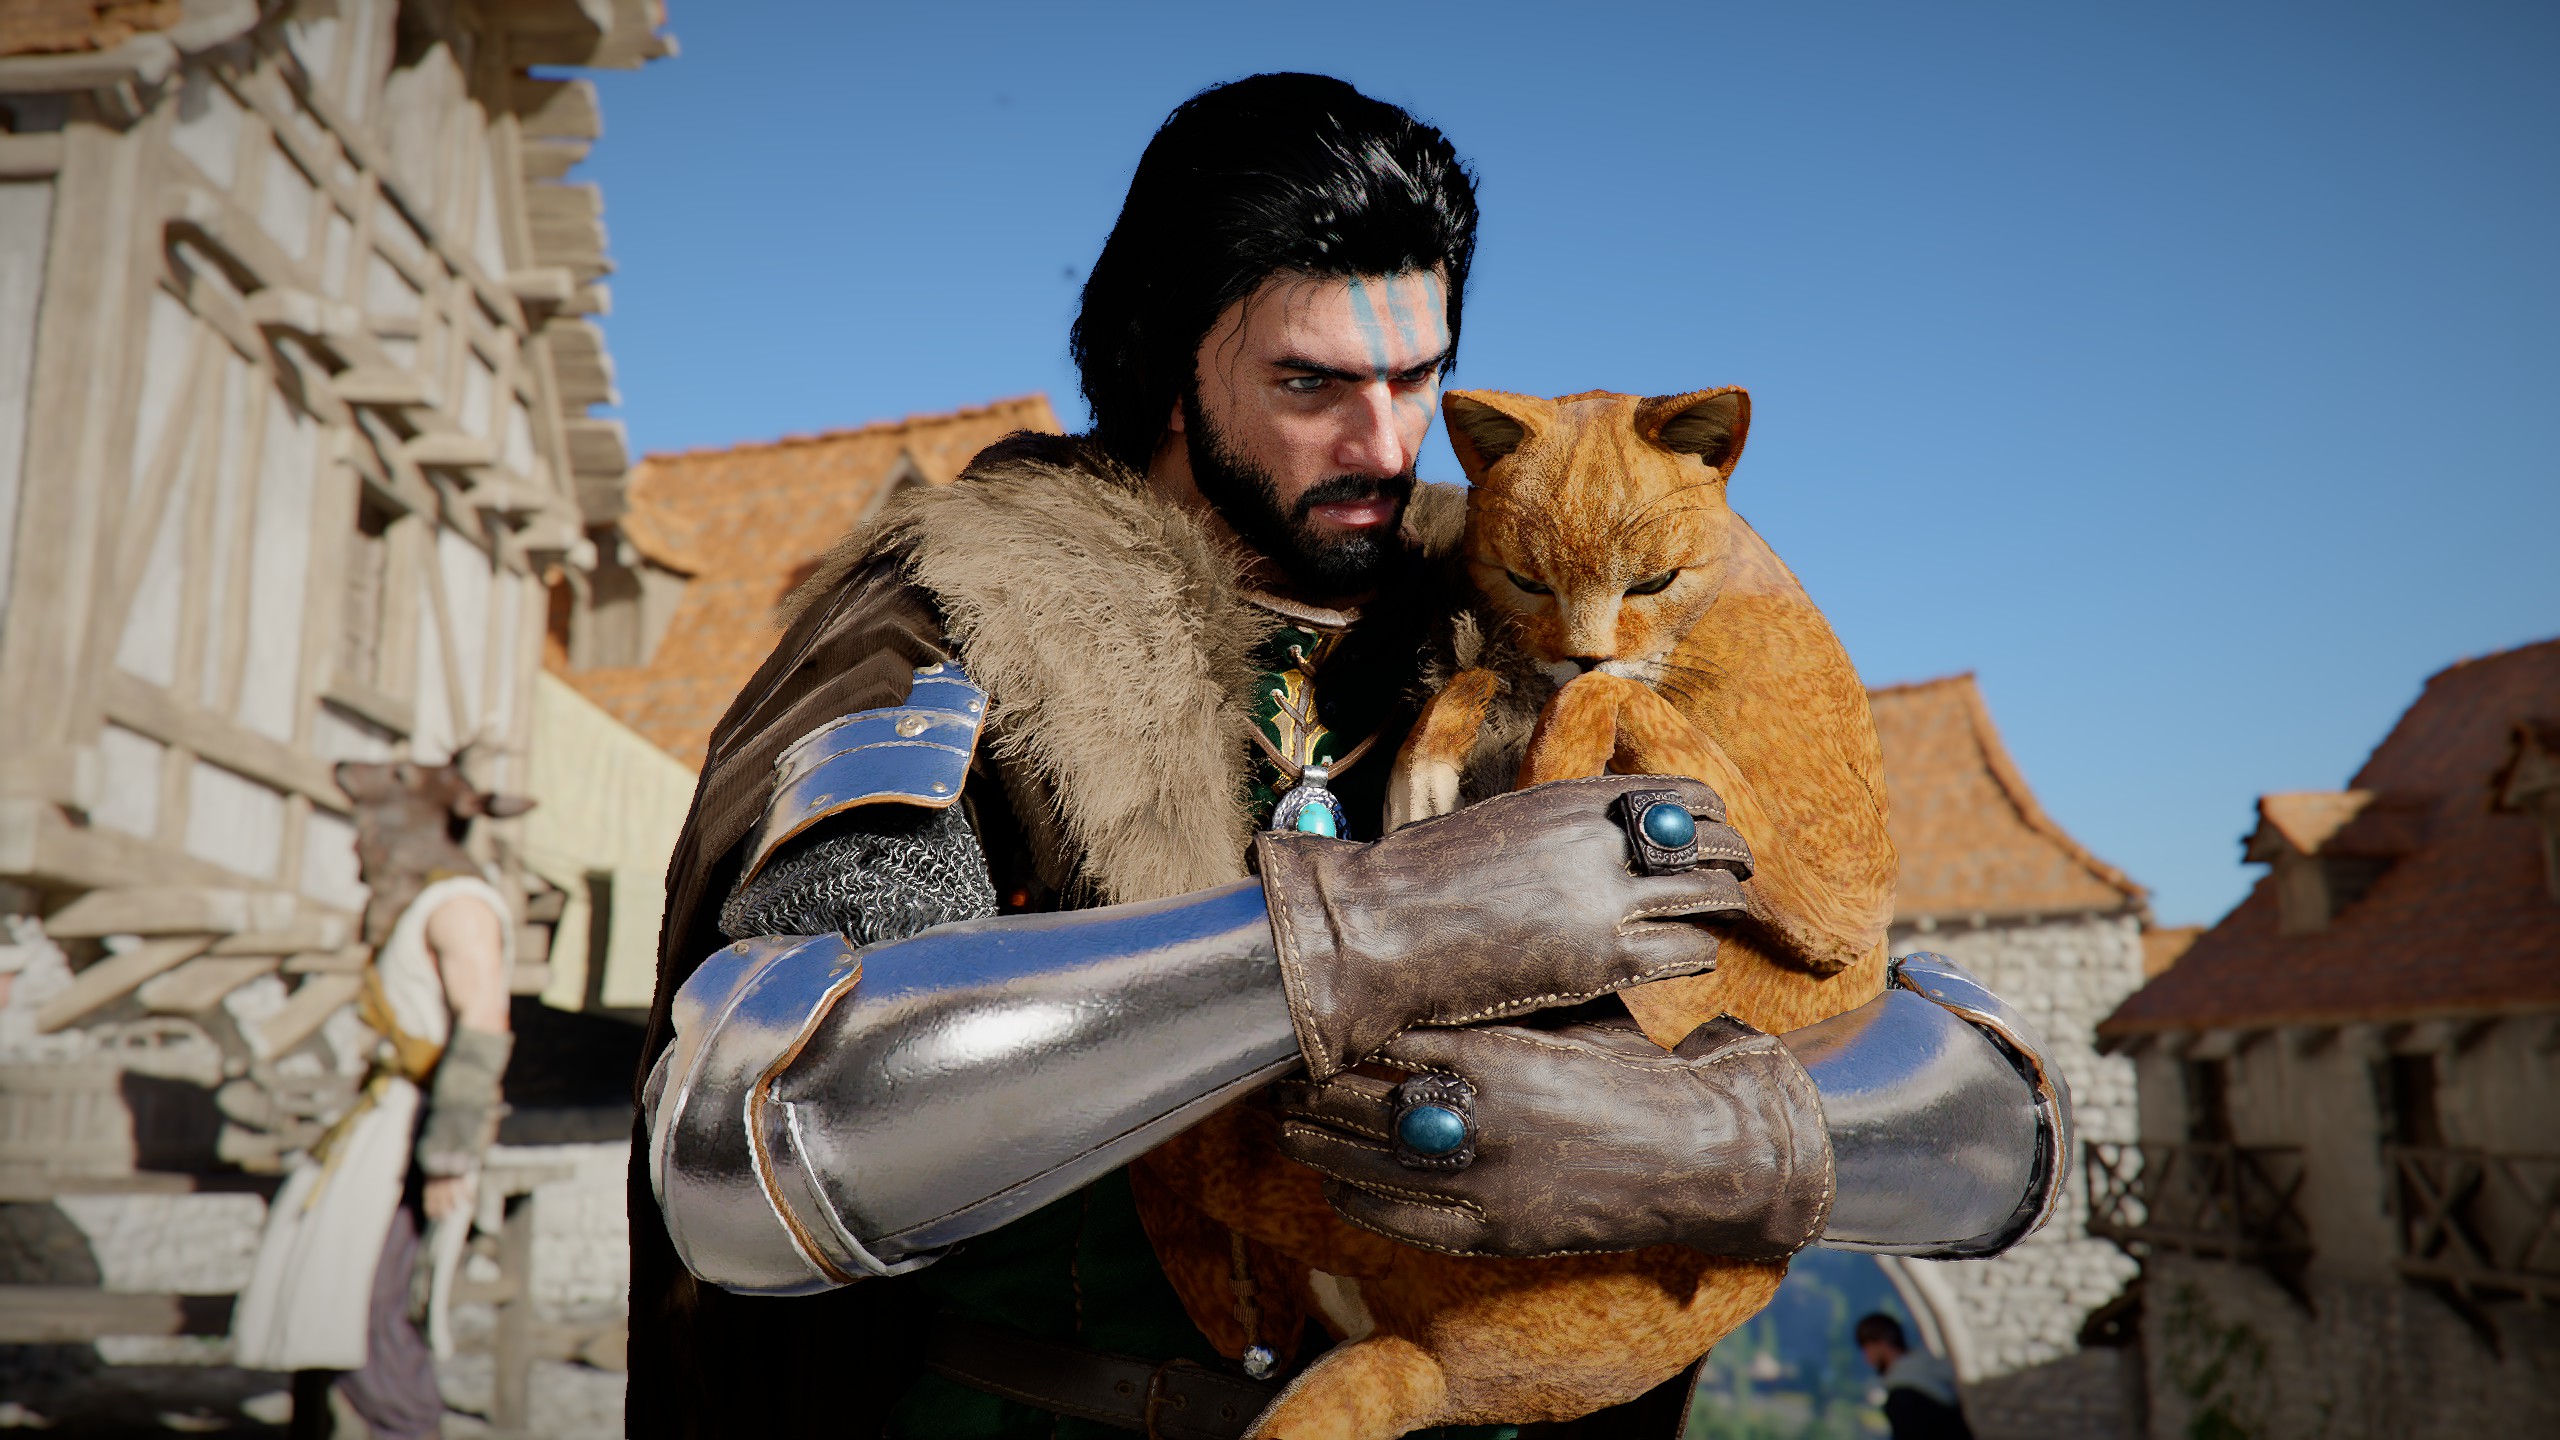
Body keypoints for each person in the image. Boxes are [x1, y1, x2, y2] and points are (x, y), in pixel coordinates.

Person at [629, 73, 2069, 1439]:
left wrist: (1719, 1139)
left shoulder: (1536, 607)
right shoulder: (959, 623)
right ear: (1168, 367)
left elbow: (1989, 1123)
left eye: (1417, 375)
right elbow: (757, 1133)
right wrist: (1375, 939)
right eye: (1314, 385)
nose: (1389, 442)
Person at [235, 758, 527, 1440]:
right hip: (385, 1119)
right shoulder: (427, 903)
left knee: (371, 1314)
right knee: (337, 1303)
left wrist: (451, 1151)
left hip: (416, 1128)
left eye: (370, 827)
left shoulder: (461, 907)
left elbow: (483, 1027)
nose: (357, 844)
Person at [1857, 1314, 1975, 1440]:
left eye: (1868, 1349)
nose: (1868, 1360)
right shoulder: (1936, 1372)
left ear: (1882, 1344)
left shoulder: (1902, 1396)